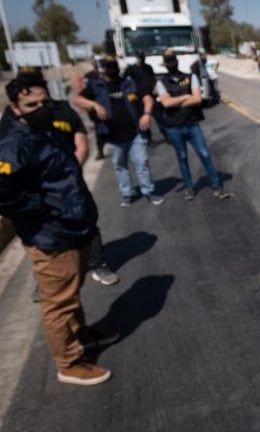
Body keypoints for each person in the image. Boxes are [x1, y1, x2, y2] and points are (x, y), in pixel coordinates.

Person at [0, 74, 114, 385]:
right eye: (31, 104)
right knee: (58, 303)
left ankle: (82, 335)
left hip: (71, 224)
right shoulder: (12, 143)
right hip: (51, 233)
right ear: (15, 106)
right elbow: (4, 192)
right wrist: (41, 209)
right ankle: (70, 363)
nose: (40, 108)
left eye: (44, 102)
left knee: (71, 292)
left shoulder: (41, 128)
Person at [16, 68, 120, 288]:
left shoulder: (62, 111)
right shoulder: (16, 122)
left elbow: (81, 144)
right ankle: (44, 280)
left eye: (36, 83)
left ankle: (96, 263)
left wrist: (66, 174)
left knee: (88, 224)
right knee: (43, 235)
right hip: (40, 192)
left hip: (71, 184)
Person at [74, 55, 164, 208]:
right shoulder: (96, 86)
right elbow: (78, 100)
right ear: (103, 69)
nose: (112, 70)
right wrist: (95, 105)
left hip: (135, 133)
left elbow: (147, 98)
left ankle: (149, 191)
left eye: (114, 66)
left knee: (142, 163)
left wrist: (147, 114)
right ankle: (127, 194)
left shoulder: (129, 83)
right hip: (113, 136)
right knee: (120, 166)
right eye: (108, 67)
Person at [155, 49, 232, 201]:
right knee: (182, 157)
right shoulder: (161, 82)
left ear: (177, 61)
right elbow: (166, 103)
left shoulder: (190, 77)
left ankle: (217, 186)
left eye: (173, 60)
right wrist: (185, 96)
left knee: (204, 154)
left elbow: (197, 99)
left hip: (192, 124)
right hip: (174, 126)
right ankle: (189, 188)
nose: (171, 63)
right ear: (165, 64)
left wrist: (175, 101)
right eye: (168, 61)